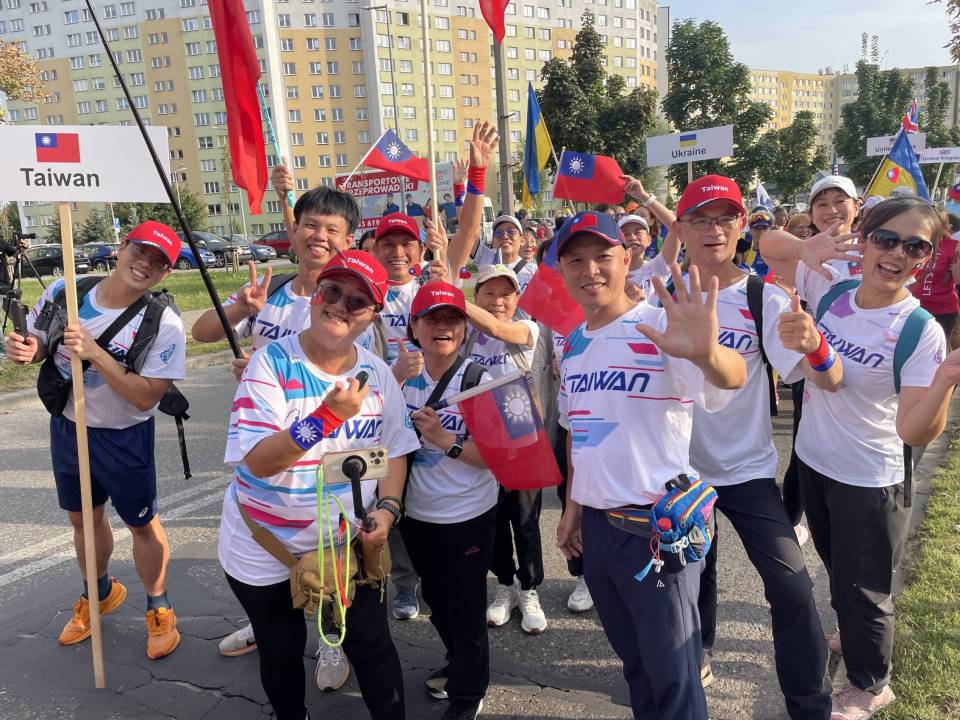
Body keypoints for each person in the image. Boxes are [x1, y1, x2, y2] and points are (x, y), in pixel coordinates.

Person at [553, 210, 746, 720]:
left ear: (627, 258)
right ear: (561, 270)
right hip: (599, 530)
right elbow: (577, 434)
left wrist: (708, 354)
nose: (590, 270)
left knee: (674, 678)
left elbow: (731, 378)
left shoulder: (659, 324)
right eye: (575, 260)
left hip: (655, 532)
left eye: (602, 256)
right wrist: (573, 509)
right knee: (636, 666)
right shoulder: (573, 344)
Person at [777, 196, 960, 720]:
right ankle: (851, 630)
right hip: (814, 461)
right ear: (863, 240)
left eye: (915, 246)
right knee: (838, 570)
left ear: (926, 258)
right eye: (886, 239)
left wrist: (945, 381)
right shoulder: (834, 291)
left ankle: (870, 684)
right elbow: (769, 249)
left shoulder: (918, 329)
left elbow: (913, 429)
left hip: (870, 479)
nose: (897, 253)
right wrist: (805, 248)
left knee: (867, 589)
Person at [219, 250, 420, 720]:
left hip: (345, 543)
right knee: (281, 648)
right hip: (263, 545)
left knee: (371, 644)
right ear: (315, 295)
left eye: (357, 301)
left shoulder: (376, 374)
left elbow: (395, 449)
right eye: (333, 291)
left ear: (372, 315)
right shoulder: (270, 364)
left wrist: (388, 509)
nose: (340, 305)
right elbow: (259, 461)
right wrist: (327, 416)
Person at [665, 175, 838, 719]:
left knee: (792, 588)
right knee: (691, 579)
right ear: (681, 229)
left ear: (742, 224)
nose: (713, 230)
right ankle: (699, 651)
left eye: (724, 218)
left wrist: (816, 346)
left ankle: (808, 705)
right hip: (678, 473)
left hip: (747, 469)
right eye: (700, 219)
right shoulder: (657, 294)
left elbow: (816, 377)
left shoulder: (765, 297)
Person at [5, 221, 186, 660]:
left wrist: (96, 354)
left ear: (166, 272)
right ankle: (99, 592)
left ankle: (159, 606)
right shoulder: (66, 290)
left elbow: (147, 396)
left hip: (125, 436)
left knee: (142, 524)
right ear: (122, 247)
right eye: (140, 251)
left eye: (158, 262)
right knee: (84, 519)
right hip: (69, 427)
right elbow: (42, 342)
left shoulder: (163, 322)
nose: (144, 264)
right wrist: (27, 349)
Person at [373, 121, 499, 621]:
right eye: (388, 244)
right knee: (391, 499)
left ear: (420, 249)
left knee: (429, 493)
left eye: (407, 243)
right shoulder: (365, 292)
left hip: (438, 396)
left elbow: (467, 233)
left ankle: (440, 586)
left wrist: (476, 174)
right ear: (374, 249)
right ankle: (405, 584)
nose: (398, 252)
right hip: (388, 401)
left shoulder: (434, 279)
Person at [401, 282, 498, 720]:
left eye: (452, 319)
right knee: (437, 601)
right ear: (414, 327)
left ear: (464, 329)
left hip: (468, 515)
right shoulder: (399, 378)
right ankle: (459, 660)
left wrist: (446, 440)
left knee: (466, 608)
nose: (442, 327)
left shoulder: (478, 381)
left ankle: (468, 694)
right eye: (432, 318)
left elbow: (498, 457)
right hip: (416, 515)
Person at [460, 264, 547, 634]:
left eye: (506, 294)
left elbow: (497, 329)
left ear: (517, 298)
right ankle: (505, 584)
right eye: (489, 293)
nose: (498, 301)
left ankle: (529, 589)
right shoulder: (465, 337)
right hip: (482, 446)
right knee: (492, 521)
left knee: (525, 522)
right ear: (477, 296)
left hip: (524, 444)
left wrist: (452, 293)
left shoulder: (527, 328)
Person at [620, 175, 680, 302]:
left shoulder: (656, 268)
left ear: (648, 240)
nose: (632, 237)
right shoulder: (610, 274)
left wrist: (644, 196)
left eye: (638, 232)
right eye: (626, 233)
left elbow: (676, 227)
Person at [911, 209, 960, 341]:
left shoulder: (953, 246)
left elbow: (958, 279)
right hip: (915, 308)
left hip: (942, 310)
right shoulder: (916, 244)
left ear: (941, 224)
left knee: (940, 350)